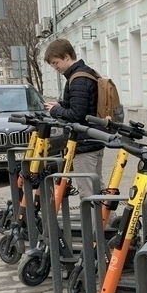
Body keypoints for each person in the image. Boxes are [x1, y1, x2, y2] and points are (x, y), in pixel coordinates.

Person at [43, 38, 106, 200]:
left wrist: (56, 110)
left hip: (85, 143)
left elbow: (78, 114)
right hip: (94, 139)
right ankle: (108, 223)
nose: (55, 67)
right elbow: (83, 104)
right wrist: (61, 104)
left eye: (55, 62)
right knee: (97, 187)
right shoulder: (85, 73)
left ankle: (96, 225)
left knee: (88, 192)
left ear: (66, 57)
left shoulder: (78, 79)